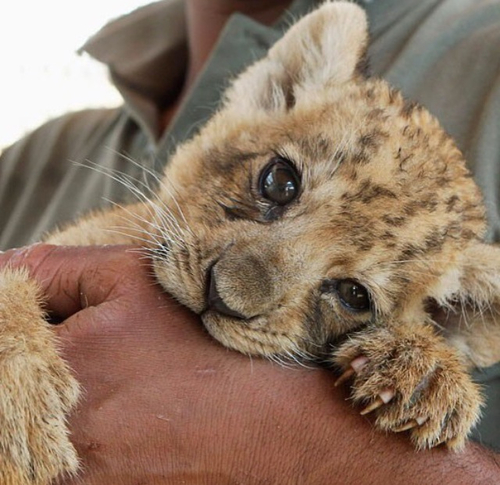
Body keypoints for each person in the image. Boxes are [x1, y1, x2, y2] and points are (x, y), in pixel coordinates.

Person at [1, 0, 500, 481]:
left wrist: (322, 450)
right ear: (276, 89)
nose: (236, 289)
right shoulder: (37, 154)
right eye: (278, 186)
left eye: (352, 293)